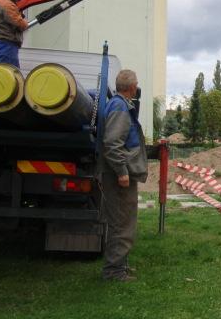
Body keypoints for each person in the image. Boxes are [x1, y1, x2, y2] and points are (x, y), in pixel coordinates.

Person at [99, 69, 148, 282]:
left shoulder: (119, 104)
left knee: (122, 221)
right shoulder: (119, 106)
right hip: (118, 175)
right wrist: (121, 172)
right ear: (130, 87)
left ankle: (121, 266)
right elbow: (112, 143)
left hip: (120, 173)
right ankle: (114, 272)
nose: (137, 87)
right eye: (136, 84)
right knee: (122, 223)